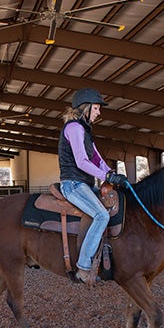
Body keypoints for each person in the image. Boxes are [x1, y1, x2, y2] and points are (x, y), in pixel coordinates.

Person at [58, 87, 128, 285]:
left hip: (84, 184)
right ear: (86, 108)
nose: (99, 112)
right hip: (73, 184)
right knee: (101, 215)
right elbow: (81, 162)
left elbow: (97, 159)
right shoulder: (74, 128)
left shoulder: (86, 131)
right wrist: (106, 175)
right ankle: (83, 266)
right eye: (97, 108)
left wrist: (112, 174)